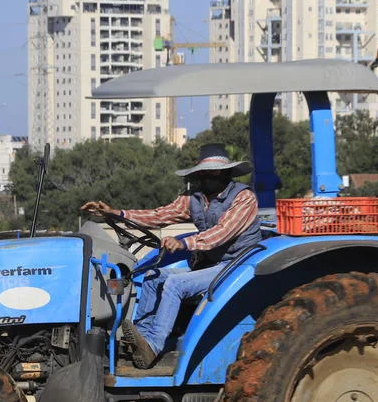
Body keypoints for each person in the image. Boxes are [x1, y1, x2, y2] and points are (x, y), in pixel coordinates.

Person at [80, 144, 261, 368]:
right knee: (153, 274)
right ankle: (141, 339)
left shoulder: (244, 198)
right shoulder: (194, 199)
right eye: (201, 173)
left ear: (223, 173)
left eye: (209, 173)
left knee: (175, 283)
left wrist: (183, 242)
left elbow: (221, 234)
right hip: (209, 263)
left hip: (236, 265)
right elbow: (158, 215)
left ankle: (153, 346)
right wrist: (116, 214)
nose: (203, 178)